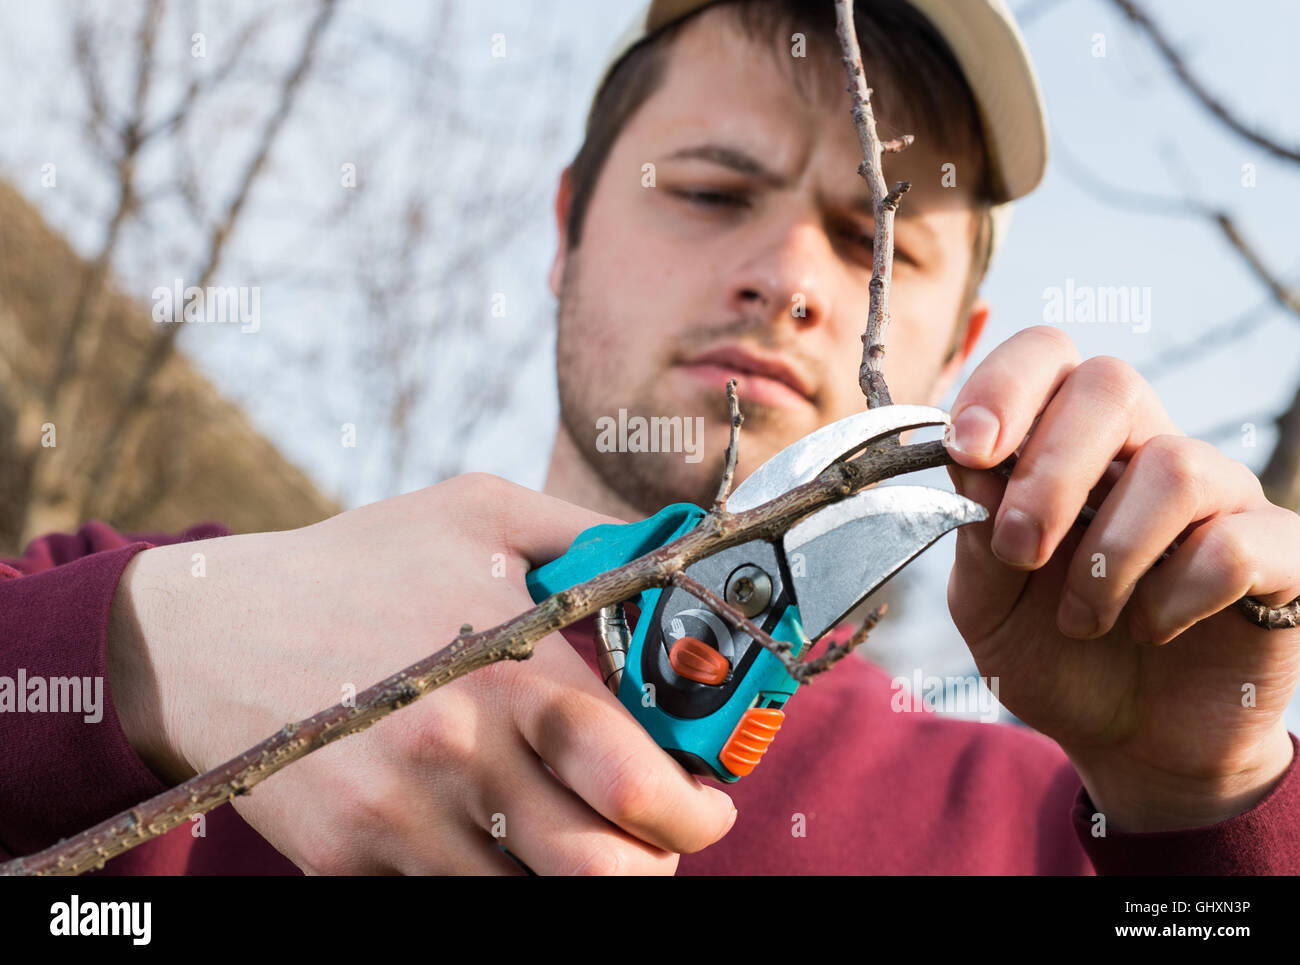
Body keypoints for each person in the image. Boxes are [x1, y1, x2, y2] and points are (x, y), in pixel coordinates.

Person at [3, 0, 1299, 876]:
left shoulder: (1047, 835)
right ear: (568, 231)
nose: (791, 275)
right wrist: (145, 654)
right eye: (712, 191)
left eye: (876, 245)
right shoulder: (141, 610)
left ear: (959, 352)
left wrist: (1213, 808)